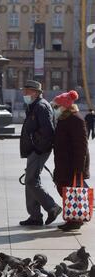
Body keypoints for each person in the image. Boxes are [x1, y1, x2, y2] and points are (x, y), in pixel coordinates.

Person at [20, 80, 62, 226]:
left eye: (27, 91)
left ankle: (52, 207)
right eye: (24, 91)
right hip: (34, 148)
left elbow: (48, 131)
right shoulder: (33, 106)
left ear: (36, 92)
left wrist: (39, 148)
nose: (24, 94)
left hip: (39, 149)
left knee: (32, 180)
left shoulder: (41, 107)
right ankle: (35, 216)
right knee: (30, 181)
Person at [52, 90, 90, 232]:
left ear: (65, 106)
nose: (54, 109)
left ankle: (76, 219)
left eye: (56, 106)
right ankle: (76, 216)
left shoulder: (75, 119)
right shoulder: (64, 118)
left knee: (71, 191)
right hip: (64, 162)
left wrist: (78, 169)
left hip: (72, 165)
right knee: (66, 189)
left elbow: (81, 146)